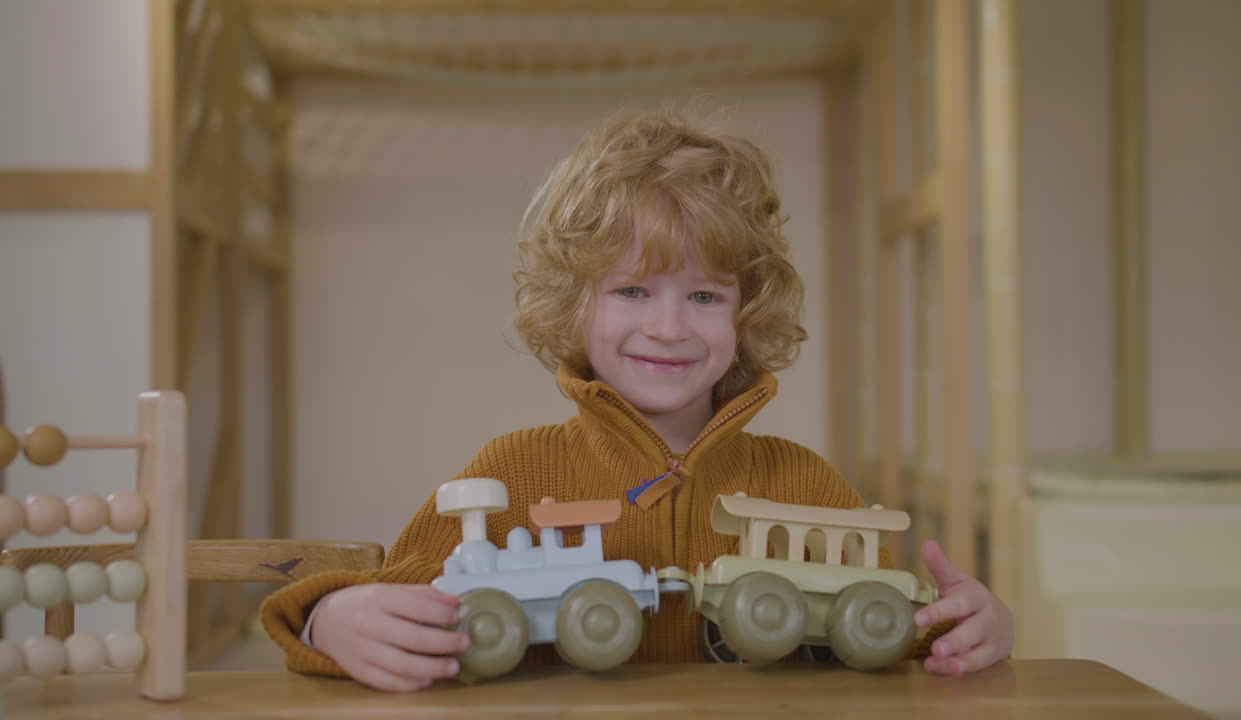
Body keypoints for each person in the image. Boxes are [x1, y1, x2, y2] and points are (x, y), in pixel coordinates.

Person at [259, 112, 1014, 692]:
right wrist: (329, 618)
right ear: (573, 304)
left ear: (745, 311)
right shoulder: (511, 471)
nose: (668, 326)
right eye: (631, 290)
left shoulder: (804, 482)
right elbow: (404, 599)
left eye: (704, 295)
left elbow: (891, 635)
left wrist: (972, 627)